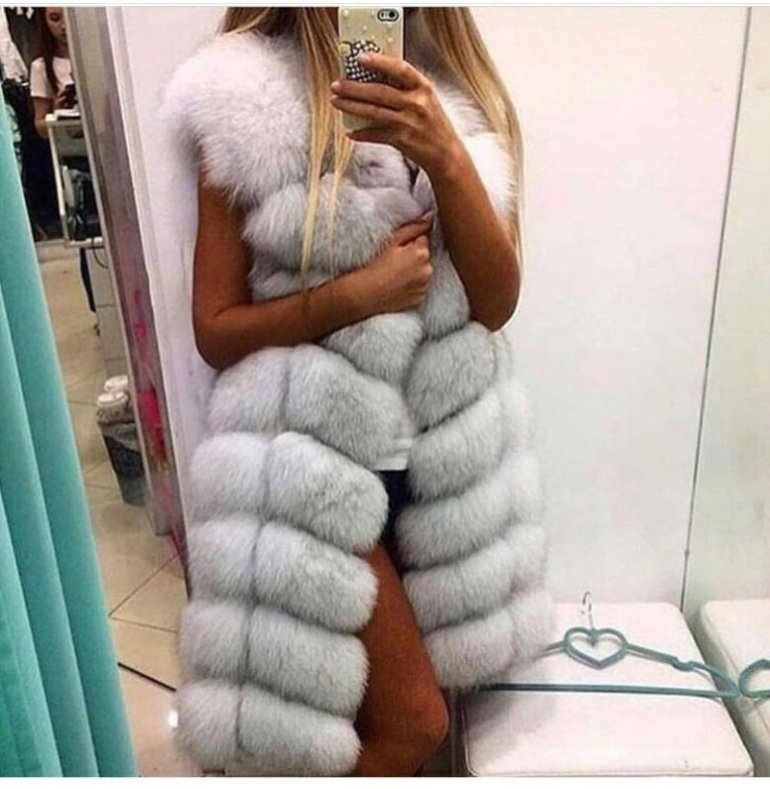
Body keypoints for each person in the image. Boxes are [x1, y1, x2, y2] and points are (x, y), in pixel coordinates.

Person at [183, 6, 527, 777]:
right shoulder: (244, 104)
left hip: (433, 472)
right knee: (415, 722)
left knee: (367, 724)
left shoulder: (459, 104)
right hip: (311, 470)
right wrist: (355, 296)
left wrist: (445, 155)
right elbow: (215, 325)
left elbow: (496, 302)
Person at [29, 6, 96, 328]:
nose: (63, 26)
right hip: (73, 160)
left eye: (66, 17)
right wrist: (58, 113)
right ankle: (98, 310)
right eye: (54, 18)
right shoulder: (41, 67)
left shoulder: (93, 56)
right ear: (44, 22)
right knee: (85, 238)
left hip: (102, 152)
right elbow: (39, 125)